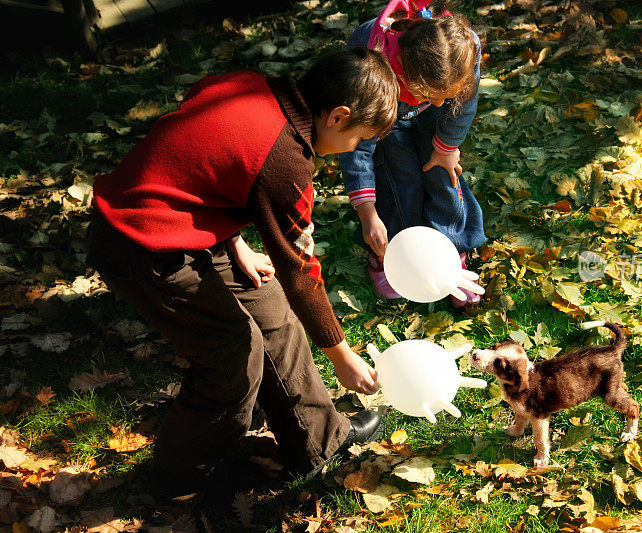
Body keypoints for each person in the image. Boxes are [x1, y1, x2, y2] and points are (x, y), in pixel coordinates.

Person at [87, 47, 399, 499]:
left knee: (271, 309)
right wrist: (340, 354)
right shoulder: (286, 161)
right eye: (359, 137)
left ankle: (317, 441)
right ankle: (179, 477)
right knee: (233, 358)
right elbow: (299, 272)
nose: (354, 148)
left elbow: (208, 166)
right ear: (337, 115)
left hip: (193, 228)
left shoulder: (250, 84)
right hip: (141, 241)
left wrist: (233, 241)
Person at [340, 0, 486, 308]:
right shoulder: (370, 68)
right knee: (398, 175)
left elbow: (463, 106)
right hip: (383, 108)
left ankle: (451, 248)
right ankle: (391, 251)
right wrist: (368, 214)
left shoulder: (461, 50)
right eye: (427, 96)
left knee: (443, 174)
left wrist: (446, 148)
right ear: (404, 75)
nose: (435, 105)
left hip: (415, 89)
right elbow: (357, 146)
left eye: (443, 98)